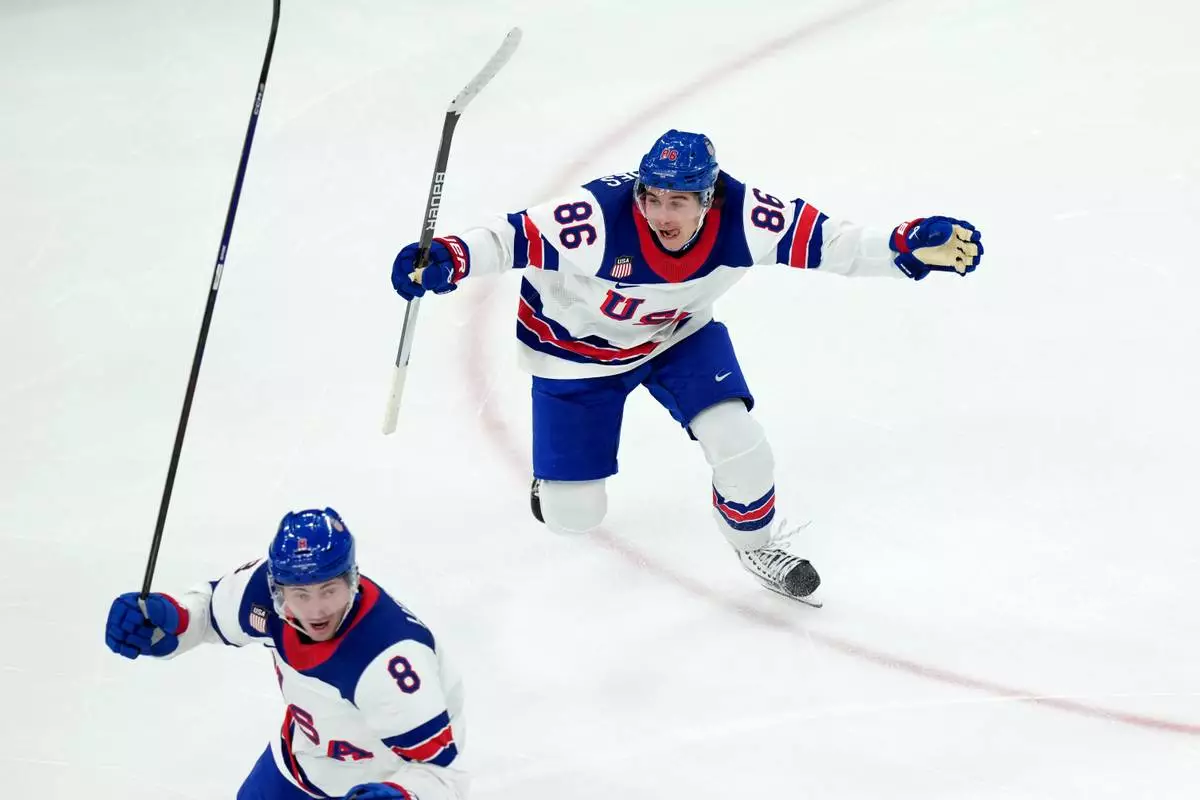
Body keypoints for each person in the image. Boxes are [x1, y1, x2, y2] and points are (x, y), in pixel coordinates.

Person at [391, 129, 983, 605]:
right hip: (575, 357)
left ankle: (756, 544)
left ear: (709, 198)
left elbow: (836, 243)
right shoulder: (593, 219)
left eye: (678, 201)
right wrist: (448, 256)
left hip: (677, 339)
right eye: (652, 198)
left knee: (740, 442)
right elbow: (507, 237)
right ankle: (555, 481)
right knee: (574, 518)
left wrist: (904, 247)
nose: (660, 214)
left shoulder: (748, 218)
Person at [105, 508, 466, 800]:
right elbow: (208, 614)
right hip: (302, 762)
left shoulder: (389, 660)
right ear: (278, 590)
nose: (316, 610)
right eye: (301, 595)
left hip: (380, 778)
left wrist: (403, 794)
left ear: (352, 580)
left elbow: (442, 773)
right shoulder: (261, 593)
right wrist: (169, 621)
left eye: (329, 590)